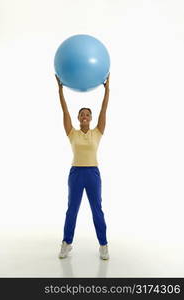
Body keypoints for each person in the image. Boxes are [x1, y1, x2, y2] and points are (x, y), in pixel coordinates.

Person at [55, 73, 110, 260]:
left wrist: (107, 89)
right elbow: (65, 112)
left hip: (93, 173)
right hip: (76, 173)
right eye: (82, 114)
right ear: (78, 118)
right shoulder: (72, 133)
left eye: (87, 114)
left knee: (97, 209)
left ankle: (103, 244)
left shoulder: (97, 132)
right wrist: (60, 90)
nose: (84, 116)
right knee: (72, 209)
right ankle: (66, 243)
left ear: (91, 118)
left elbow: (104, 110)